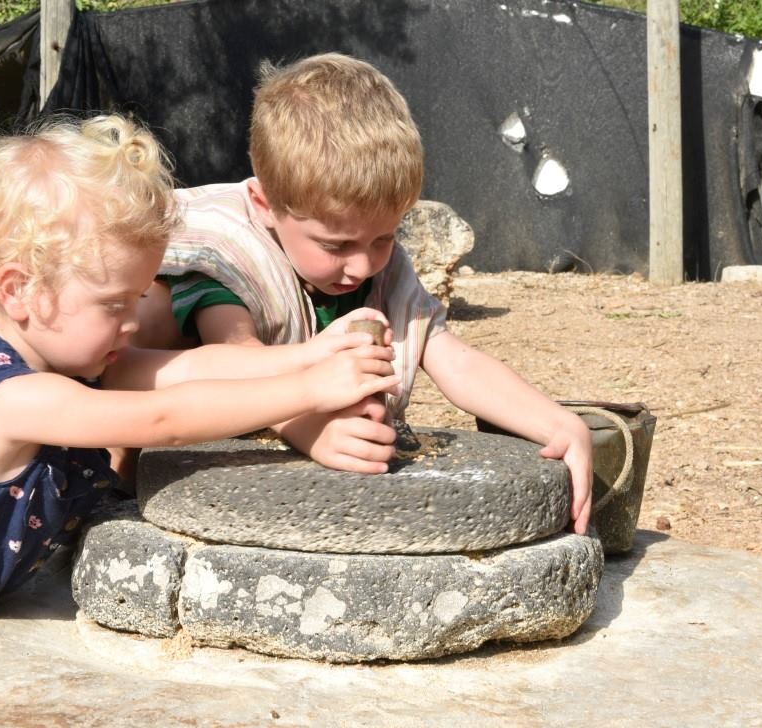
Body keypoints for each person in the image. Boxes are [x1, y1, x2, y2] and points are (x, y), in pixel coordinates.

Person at [0, 114, 400, 728]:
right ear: (19, 289)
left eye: (138, 299)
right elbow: (163, 416)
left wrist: (312, 353)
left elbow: (189, 371)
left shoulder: (76, 364)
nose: (130, 322)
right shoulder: (14, 398)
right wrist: (311, 388)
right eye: (115, 303)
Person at [125, 52, 594, 534]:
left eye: (383, 238)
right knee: (155, 312)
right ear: (266, 205)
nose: (362, 264)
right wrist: (307, 426)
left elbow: (454, 359)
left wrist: (558, 423)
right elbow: (236, 357)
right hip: (161, 428)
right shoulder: (231, 249)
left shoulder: (380, 271)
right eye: (336, 244)